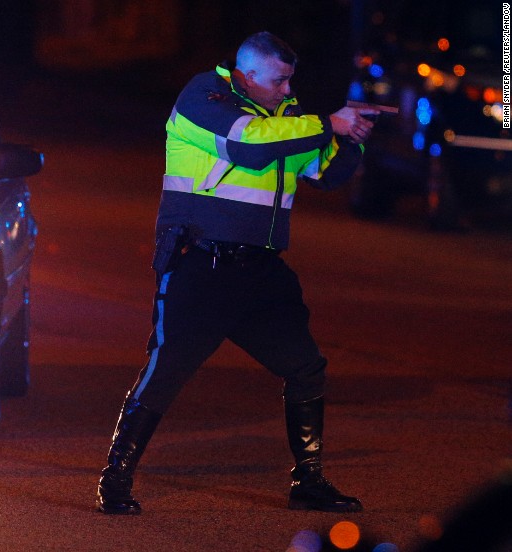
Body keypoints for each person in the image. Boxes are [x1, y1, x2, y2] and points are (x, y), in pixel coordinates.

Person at [95, 31, 378, 514]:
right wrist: (327, 121)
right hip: (201, 265)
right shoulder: (203, 98)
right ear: (246, 75)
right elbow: (248, 145)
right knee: (165, 372)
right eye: (280, 80)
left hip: (260, 270)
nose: (288, 90)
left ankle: (308, 482)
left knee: (305, 366)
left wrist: (350, 140)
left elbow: (324, 174)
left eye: (291, 80)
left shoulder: (285, 116)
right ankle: (114, 478)